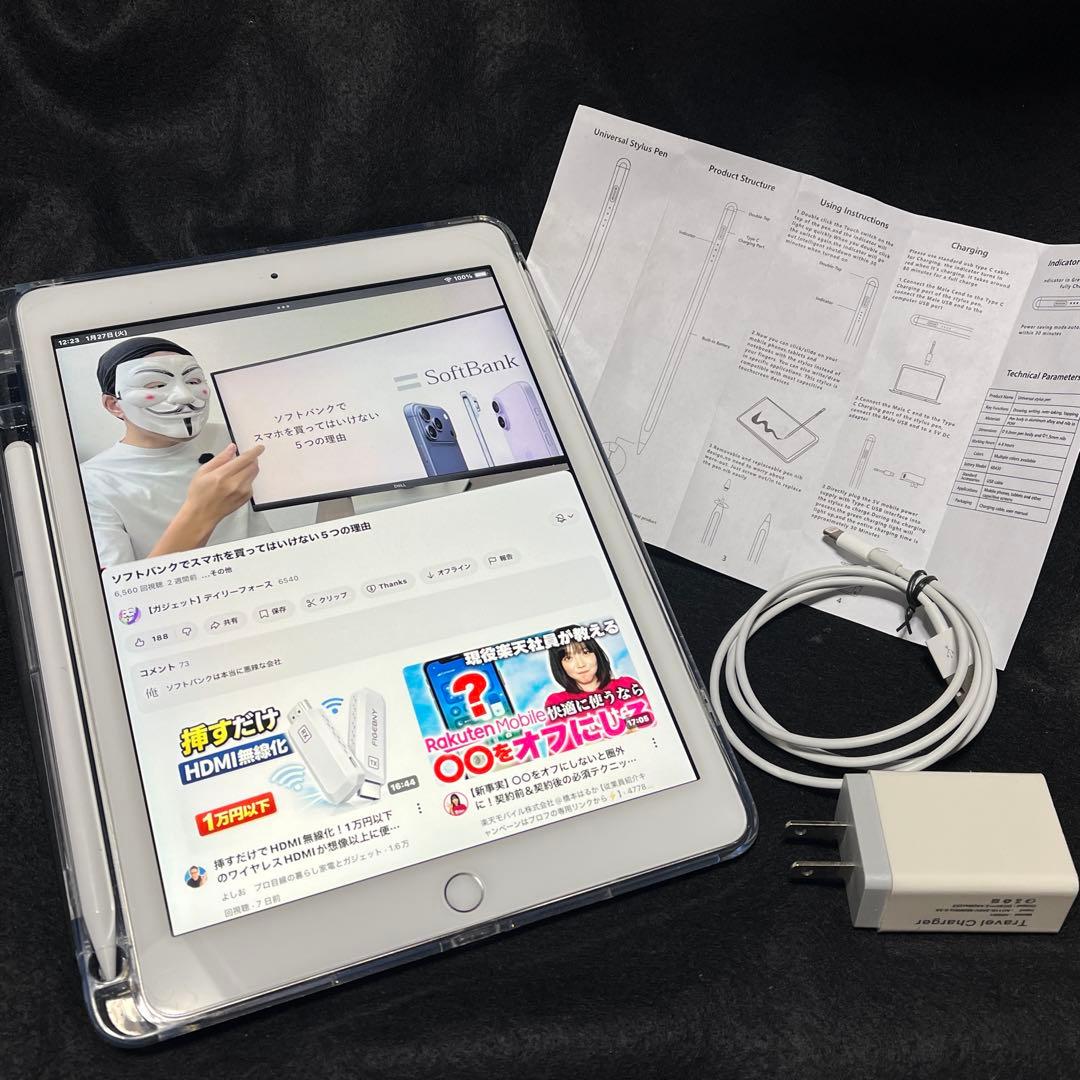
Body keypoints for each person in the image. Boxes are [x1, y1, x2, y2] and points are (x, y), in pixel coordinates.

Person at [80, 336, 268, 566]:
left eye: (193, 381)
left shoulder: (232, 436)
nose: (185, 396)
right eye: (156, 385)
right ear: (114, 405)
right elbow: (118, 584)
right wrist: (202, 512)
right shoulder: (92, 481)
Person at [544, 631, 644, 710]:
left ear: (596, 654)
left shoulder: (626, 686)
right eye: (568, 658)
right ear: (559, 665)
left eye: (586, 652)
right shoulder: (557, 703)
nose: (581, 664)